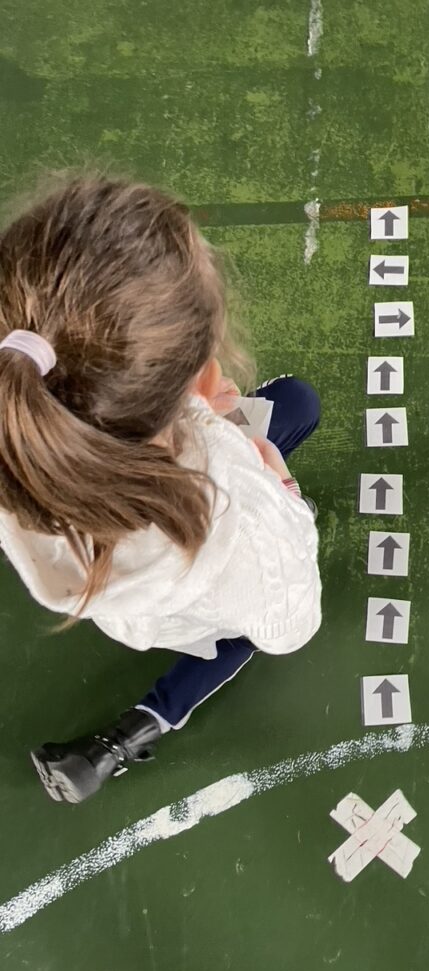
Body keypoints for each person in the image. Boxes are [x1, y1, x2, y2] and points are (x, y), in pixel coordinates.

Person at [0, 176, 322, 804]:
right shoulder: (229, 516)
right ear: (196, 373)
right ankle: (134, 732)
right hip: (189, 590)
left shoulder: (19, 421)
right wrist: (278, 490)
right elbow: (290, 623)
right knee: (239, 637)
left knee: (295, 403)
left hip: (121, 592)